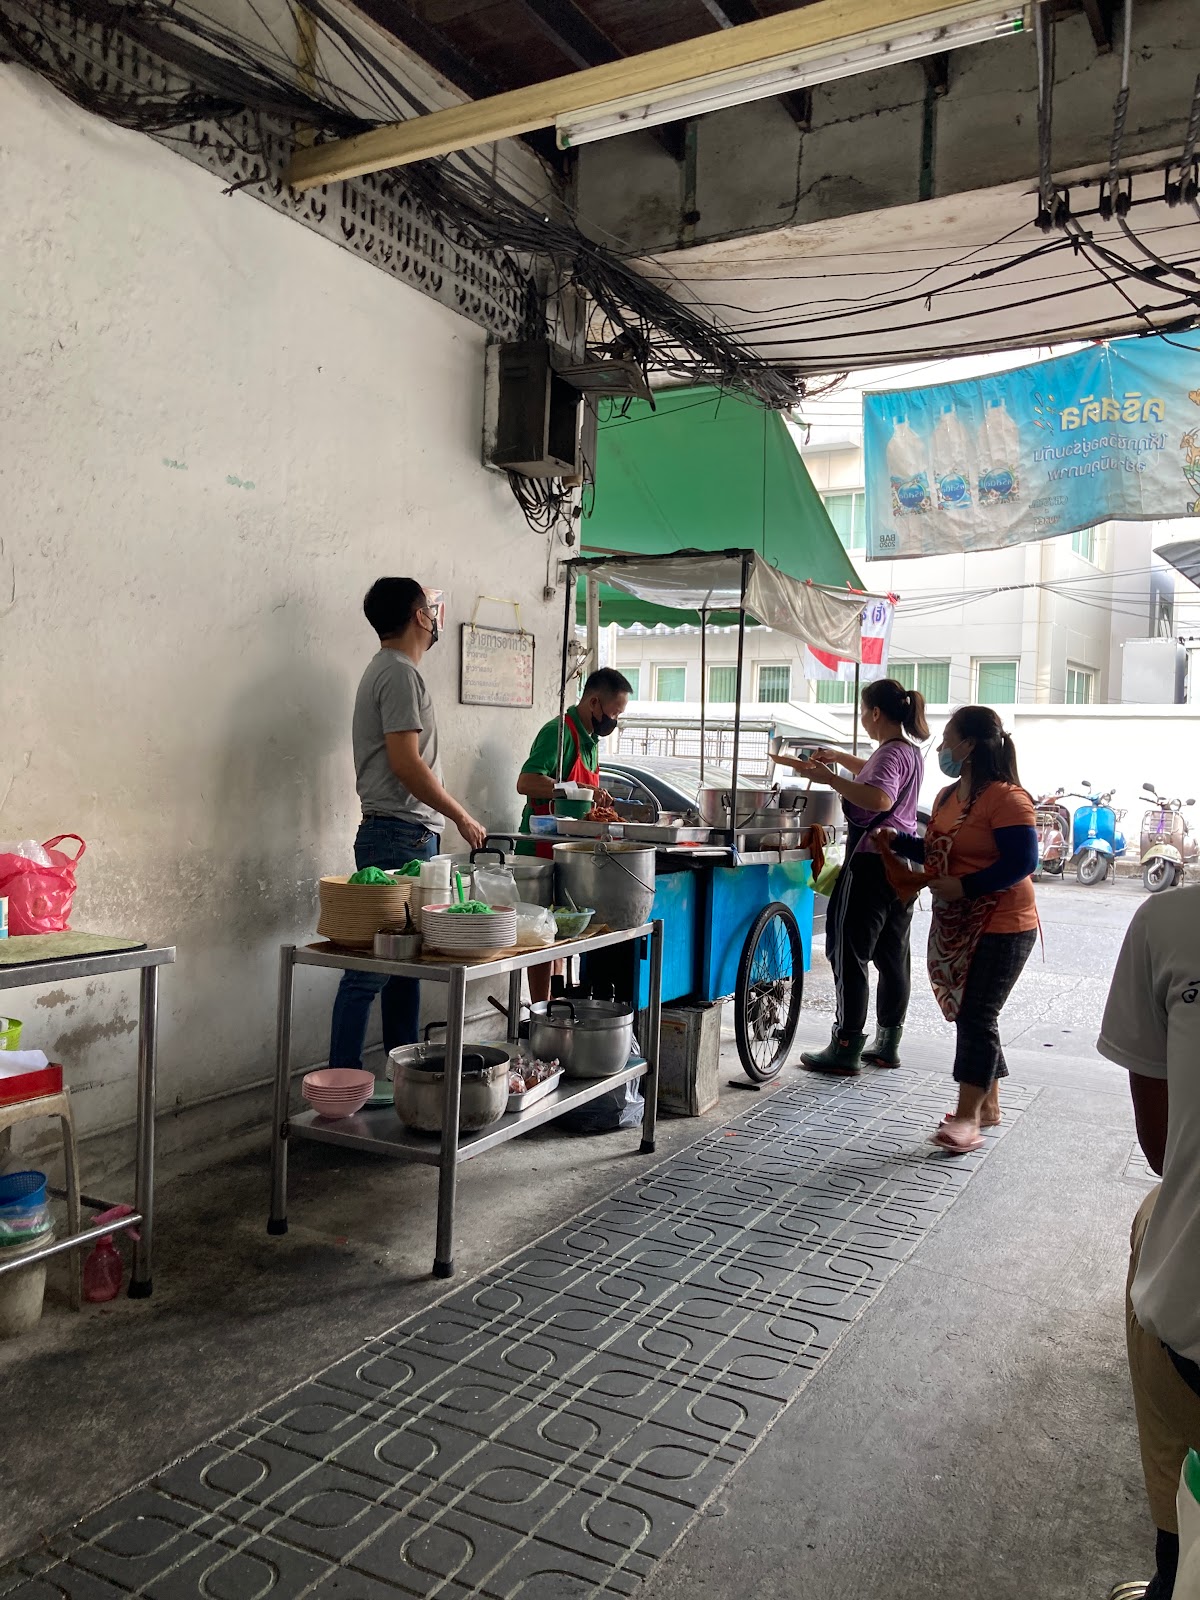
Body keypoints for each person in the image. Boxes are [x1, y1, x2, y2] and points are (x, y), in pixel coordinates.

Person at [328, 578, 487, 1070]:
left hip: (402, 832)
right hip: (397, 836)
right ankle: (341, 1083)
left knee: (403, 970)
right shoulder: (398, 674)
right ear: (421, 617)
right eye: (432, 610)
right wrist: (460, 814)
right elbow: (406, 763)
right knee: (372, 970)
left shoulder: (392, 671)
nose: (437, 618)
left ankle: (404, 1077)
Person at [1097, 888, 1200, 1600]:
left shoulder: (1170, 923)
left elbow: (1165, 1149)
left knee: (1155, 1227)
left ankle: (1174, 1569)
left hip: (1190, 1315)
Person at [879, 705, 1038, 1152]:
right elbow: (938, 847)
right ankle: (987, 1105)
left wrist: (966, 886)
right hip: (957, 920)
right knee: (973, 1012)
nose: (942, 746)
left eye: (949, 737)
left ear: (968, 745)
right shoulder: (950, 795)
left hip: (1003, 921)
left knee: (976, 1014)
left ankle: (967, 1117)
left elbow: (1024, 861)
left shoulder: (1007, 798)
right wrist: (898, 840)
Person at [774, 678, 927, 1076]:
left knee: (849, 953)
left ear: (875, 712)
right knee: (894, 957)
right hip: (901, 867)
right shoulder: (906, 752)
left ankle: (846, 1045)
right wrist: (841, 759)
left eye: (863, 711)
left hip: (872, 862)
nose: (862, 718)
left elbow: (880, 797)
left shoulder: (890, 755)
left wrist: (830, 779)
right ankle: (887, 1042)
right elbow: (875, 776)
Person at [516, 667, 632, 1004]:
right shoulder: (558, 733)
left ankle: (557, 1007)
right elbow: (526, 781)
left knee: (565, 931)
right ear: (594, 702)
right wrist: (577, 788)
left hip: (573, 848)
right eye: (614, 713)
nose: (615, 721)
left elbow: (583, 797)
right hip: (542, 846)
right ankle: (541, 1011)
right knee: (542, 936)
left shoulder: (590, 741)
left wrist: (596, 797)